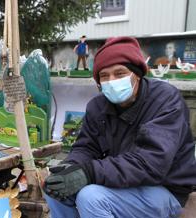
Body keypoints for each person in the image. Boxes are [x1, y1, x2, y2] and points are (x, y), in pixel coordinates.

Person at [43, 36, 196, 218]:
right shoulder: (97, 106)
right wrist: (70, 166)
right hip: (124, 181)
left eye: (120, 73)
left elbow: (151, 163)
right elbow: (87, 147)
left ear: (137, 74)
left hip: (165, 188)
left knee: (90, 197)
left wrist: (89, 173)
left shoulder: (165, 100)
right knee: (55, 188)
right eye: (104, 76)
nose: (112, 80)